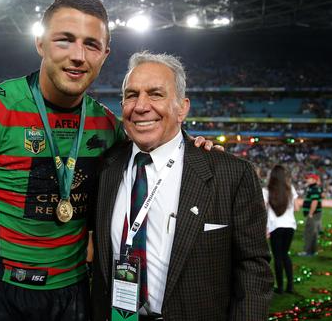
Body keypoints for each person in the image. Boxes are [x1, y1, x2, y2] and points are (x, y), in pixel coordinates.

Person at [0, 0, 216, 321]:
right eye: (65, 40)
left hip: (74, 296)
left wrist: (195, 149)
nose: (78, 56)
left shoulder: (109, 127)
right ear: (40, 43)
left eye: (91, 45)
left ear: (105, 55)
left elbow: (160, 159)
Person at [91, 51, 272, 320]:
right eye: (131, 95)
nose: (140, 106)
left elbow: (253, 270)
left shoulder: (231, 174)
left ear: (182, 108)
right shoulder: (105, 167)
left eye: (155, 94)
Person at [263, 164, 298, 294]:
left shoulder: (267, 191)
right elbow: (296, 208)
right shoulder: (290, 189)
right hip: (290, 225)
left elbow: (263, 209)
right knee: (285, 255)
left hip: (275, 226)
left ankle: (281, 288)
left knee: (278, 257)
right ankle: (290, 286)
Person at [299, 173, 322, 257]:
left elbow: (315, 202)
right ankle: (312, 251)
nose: (307, 180)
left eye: (309, 178)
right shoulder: (312, 188)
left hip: (314, 214)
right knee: (313, 233)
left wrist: (311, 213)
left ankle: (307, 251)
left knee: (309, 233)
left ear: (314, 180)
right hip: (315, 214)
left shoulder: (314, 189)